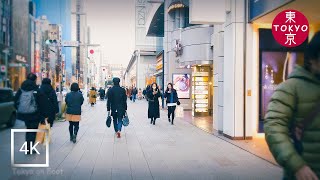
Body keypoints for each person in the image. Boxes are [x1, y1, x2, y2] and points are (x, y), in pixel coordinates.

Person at [264, 32, 320, 180]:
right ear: (313, 59)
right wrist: (297, 165)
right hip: (307, 174)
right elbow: (274, 126)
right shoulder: (291, 87)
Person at [14, 73, 49, 154]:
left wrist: (20, 109)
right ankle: (29, 149)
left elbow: (15, 101)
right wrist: (43, 116)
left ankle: (28, 147)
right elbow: (42, 103)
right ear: (35, 80)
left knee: (28, 130)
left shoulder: (21, 89)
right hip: (34, 114)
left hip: (25, 115)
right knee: (32, 131)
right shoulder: (36, 89)